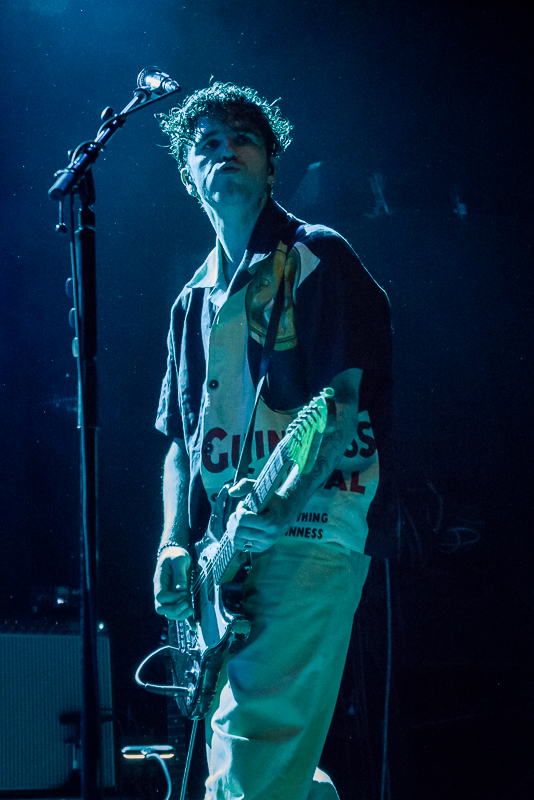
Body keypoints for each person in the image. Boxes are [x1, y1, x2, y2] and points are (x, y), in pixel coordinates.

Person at [152, 82, 393, 800]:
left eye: (242, 139)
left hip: (311, 529)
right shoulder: (191, 300)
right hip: (223, 557)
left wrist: (283, 504)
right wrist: (172, 541)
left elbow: (340, 404)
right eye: (207, 144)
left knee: (248, 763)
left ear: (271, 166)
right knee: (274, 769)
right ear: (188, 174)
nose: (224, 151)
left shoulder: (315, 256)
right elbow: (179, 440)